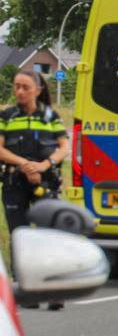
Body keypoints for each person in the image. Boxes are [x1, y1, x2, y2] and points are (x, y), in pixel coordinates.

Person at [0, 68, 70, 309]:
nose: (19, 91)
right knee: (20, 236)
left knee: (48, 235)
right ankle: (27, 288)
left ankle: (52, 290)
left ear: (38, 90)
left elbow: (63, 147)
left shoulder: (51, 116)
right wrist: (25, 165)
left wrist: (44, 165)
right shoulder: (7, 116)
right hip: (15, 182)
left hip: (46, 183)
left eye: (25, 87)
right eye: (16, 86)